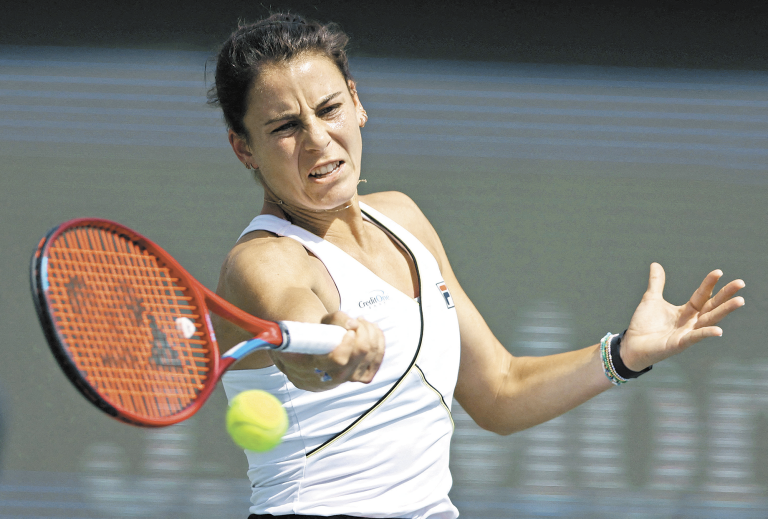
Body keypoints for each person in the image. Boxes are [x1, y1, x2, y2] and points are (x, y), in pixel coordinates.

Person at [208, 13, 746, 519]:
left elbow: (499, 392)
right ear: (244, 149)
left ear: (356, 101)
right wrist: (335, 342)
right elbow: (308, 347)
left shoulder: (403, 218)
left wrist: (624, 354)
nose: (318, 138)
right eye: (285, 126)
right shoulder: (262, 261)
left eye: (328, 109)